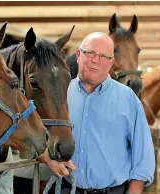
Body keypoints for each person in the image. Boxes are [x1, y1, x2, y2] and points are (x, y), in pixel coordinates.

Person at [40, 32, 155, 194]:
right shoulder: (59, 93)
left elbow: (143, 155)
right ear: (78, 55)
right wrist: (46, 156)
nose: (95, 60)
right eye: (90, 53)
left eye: (103, 56)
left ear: (111, 63)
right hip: (66, 189)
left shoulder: (128, 99)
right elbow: (37, 136)